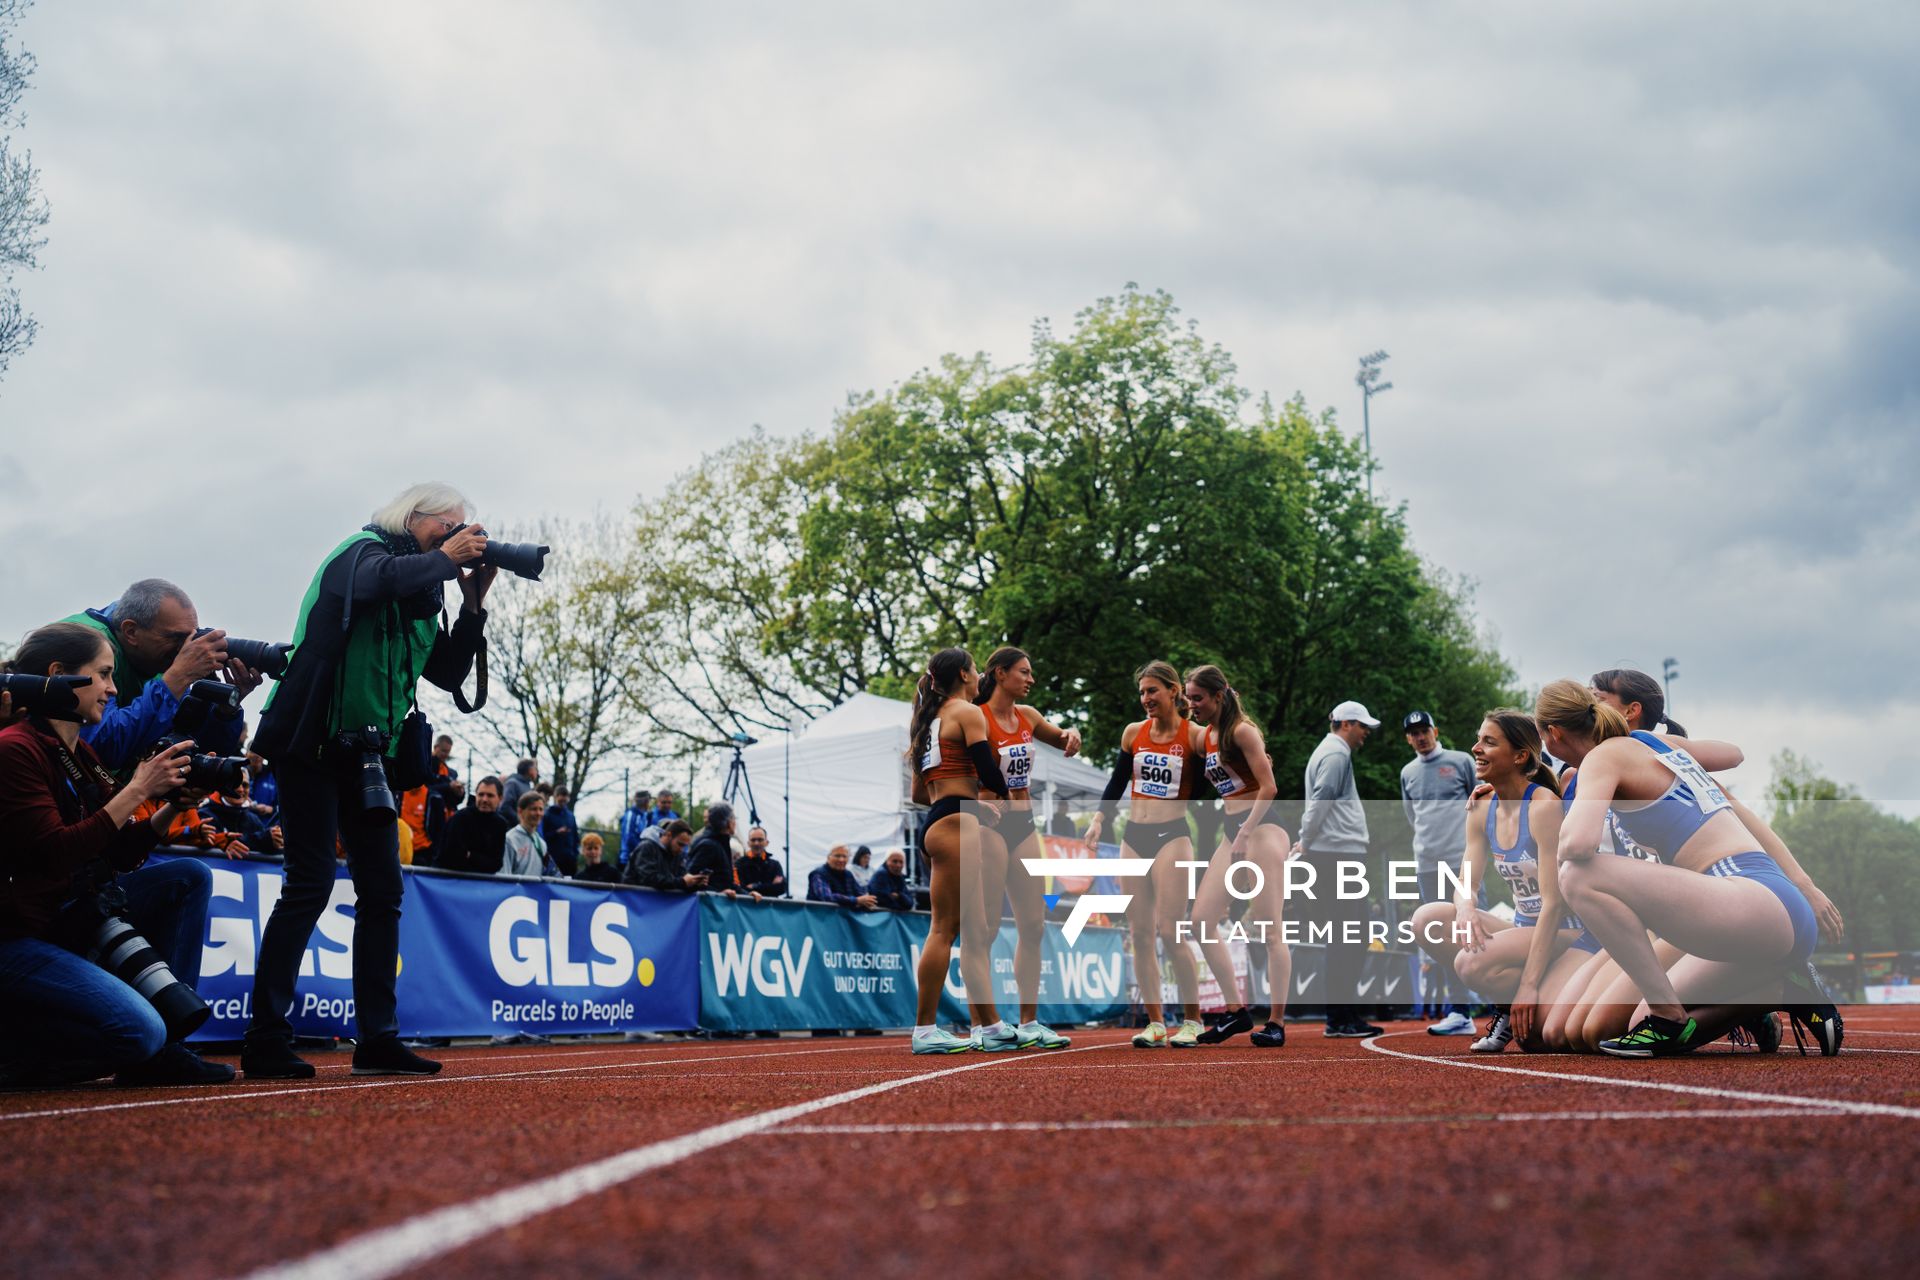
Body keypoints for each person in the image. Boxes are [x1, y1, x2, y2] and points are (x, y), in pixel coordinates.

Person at [242, 482, 494, 1081]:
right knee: (309, 883)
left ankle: (378, 1038)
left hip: (366, 754)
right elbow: (379, 582)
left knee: (383, 891)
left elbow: (450, 672)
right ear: (412, 518)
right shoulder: (358, 552)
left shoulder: (424, 590)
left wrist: (473, 604)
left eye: (465, 530)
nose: (458, 537)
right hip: (310, 741)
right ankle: (265, 1039)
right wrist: (445, 560)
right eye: (449, 526)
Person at [1538, 680, 1836, 1058]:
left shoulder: (1603, 757)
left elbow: (1577, 846)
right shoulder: (1654, 743)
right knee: (1615, 1028)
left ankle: (1668, 1015)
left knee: (1577, 874)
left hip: (1745, 900)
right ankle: (1780, 990)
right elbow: (1732, 754)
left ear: (1553, 734)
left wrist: (1555, 817)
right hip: (1756, 906)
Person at [0, 622, 233, 1086]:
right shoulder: (14, 749)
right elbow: (56, 853)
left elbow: (121, 851)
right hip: (17, 938)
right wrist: (139, 787)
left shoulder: (79, 753)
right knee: (138, 1032)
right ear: (60, 675)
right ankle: (15, 1045)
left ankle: (169, 1048)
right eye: (104, 675)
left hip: (61, 920)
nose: (113, 688)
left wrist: (169, 806)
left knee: (186, 876)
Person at [1408, 712, 1593, 1054]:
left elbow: (1553, 904)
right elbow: (1467, 877)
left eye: (1489, 742)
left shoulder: (1543, 807)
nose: (1476, 748)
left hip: (1568, 932)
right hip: (1523, 928)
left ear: (1520, 756)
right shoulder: (1481, 806)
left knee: (1472, 965)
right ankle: (1511, 1010)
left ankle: (1522, 1000)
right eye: (1479, 739)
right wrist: (1465, 906)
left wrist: (1527, 985)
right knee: (1426, 920)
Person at [1082, 661, 1206, 1048]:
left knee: (1170, 931)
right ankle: (1155, 1023)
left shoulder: (1196, 736)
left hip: (1173, 836)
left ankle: (1193, 1019)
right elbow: (1118, 780)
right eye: (1141, 692)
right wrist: (1099, 820)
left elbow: (1210, 785)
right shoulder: (1133, 733)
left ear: (1174, 691)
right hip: (1134, 836)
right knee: (1139, 933)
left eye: (1152, 691)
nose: (1146, 699)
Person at [973, 646, 1081, 1050]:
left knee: (1033, 925)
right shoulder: (975, 717)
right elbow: (957, 770)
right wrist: (976, 799)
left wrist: (1074, 735)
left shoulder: (1028, 718)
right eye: (1024, 672)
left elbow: (1063, 739)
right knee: (984, 927)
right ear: (1000, 674)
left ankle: (1029, 1021)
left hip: (1025, 824)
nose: (1031, 679)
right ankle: (982, 1023)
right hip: (990, 824)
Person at [907, 648, 1013, 1054]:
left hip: (939, 820)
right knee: (944, 930)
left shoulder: (926, 722)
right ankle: (924, 1029)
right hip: (957, 827)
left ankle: (990, 1026)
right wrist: (1003, 794)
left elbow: (920, 793)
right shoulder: (968, 713)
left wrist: (969, 801)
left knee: (973, 930)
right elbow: (988, 772)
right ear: (966, 675)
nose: (979, 674)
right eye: (976, 668)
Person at [1182, 664, 1293, 1048]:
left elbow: (1270, 786)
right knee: (1201, 920)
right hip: (1233, 830)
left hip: (1261, 827)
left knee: (1268, 928)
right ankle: (1236, 1011)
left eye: (1197, 698)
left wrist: (1246, 832)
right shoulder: (1206, 736)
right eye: (1187, 698)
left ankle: (1276, 1021)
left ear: (1217, 696)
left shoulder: (1242, 731)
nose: (1191, 704)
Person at [61, 579, 262, 771]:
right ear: (131, 631)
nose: (185, 648)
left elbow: (191, 745)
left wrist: (224, 710)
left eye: (192, 636)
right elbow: (100, 749)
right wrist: (179, 677)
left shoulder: (161, 663)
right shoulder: (82, 645)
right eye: (176, 637)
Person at [1298, 700, 1382, 1038]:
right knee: (1350, 936)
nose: (1365, 733)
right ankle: (1340, 1017)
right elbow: (1321, 800)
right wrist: (1305, 841)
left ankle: (1343, 1014)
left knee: (1347, 935)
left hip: (1334, 854)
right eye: (1362, 726)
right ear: (1346, 724)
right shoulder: (1336, 754)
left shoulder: (1330, 751)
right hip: (1337, 856)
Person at [1398, 710, 1480, 1035]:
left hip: (1462, 861)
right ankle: (1460, 1011)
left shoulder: (1461, 761)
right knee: (1440, 936)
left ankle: (1506, 1005)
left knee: (1476, 930)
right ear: (1408, 738)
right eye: (1413, 733)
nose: (1420, 737)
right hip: (1427, 865)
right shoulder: (1407, 772)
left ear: (1435, 729)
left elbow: (1481, 802)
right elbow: (1412, 815)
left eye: (1424, 730)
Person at [398, 734, 456, 866]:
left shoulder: (434, 795)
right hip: (401, 850)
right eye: (443, 751)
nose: (445, 755)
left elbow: (439, 829)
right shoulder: (399, 793)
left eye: (448, 752)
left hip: (423, 853)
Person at [687, 803, 758, 900]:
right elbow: (691, 880)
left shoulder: (720, 843)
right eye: (734, 819)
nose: (735, 823)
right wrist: (718, 893)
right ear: (729, 823)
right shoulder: (708, 845)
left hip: (716, 905)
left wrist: (747, 895)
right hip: (707, 908)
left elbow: (726, 882)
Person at [623, 820, 706, 892]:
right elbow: (649, 879)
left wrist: (694, 884)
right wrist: (683, 882)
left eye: (684, 846)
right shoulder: (646, 847)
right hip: (636, 902)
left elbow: (679, 880)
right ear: (669, 835)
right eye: (680, 844)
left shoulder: (676, 854)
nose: (682, 849)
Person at [201, 780, 278, 853]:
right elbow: (214, 841)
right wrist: (263, 840)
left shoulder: (253, 819)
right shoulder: (206, 815)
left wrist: (276, 840)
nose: (240, 790)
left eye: (245, 785)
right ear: (222, 787)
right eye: (234, 784)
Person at [809, 844, 878, 908]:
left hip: (843, 918)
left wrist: (869, 899)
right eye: (837, 856)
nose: (841, 860)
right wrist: (856, 900)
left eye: (844, 856)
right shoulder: (818, 874)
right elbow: (826, 896)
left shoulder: (848, 874)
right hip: (820, 918)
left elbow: (860, 893)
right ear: (828, 857)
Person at [501, 793, 553, 877]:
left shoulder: (542, 844)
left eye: (541, 809)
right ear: (520, 811)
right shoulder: (509, 840)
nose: (538, 813)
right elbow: (504, 876)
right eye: (533, 809)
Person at [735, 826, 789, 897]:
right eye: (753, 840)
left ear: (766, 842)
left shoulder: (775, 865)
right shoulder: (739, 864)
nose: (756, 843)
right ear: (748, 843)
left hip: (769, 907)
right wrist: (770, 885)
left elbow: (782, 888)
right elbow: (739, 889)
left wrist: (754, 886)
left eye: (760, 840)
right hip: (748, 907)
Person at [542, 787, 580, 878]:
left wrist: (575, 854)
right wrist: (556, 833)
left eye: (565, 796)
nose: (563, 799)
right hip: (554, 858)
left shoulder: (571, 816)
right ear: (555, 797)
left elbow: (575, 836)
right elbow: (543, 836)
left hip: (569, 859)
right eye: (560, 796)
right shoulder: (547, 814)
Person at [618, 789, 654, 868]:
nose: (650, 803)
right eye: (649, 800)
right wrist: (642, 850)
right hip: (628, 859)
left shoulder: (644, 815)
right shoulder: (631, 815)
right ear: (645, 801)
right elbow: (629, 838)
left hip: (639, 859)